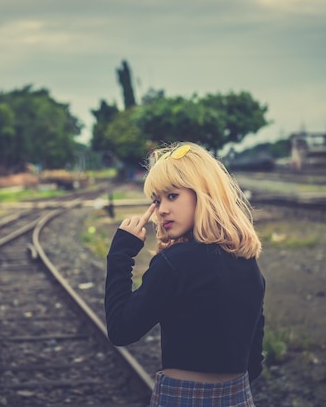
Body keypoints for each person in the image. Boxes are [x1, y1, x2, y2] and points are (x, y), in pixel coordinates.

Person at [105, 142, 265, 406]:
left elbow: (121, 330)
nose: (162, 209)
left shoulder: (173, 264)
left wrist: (120, 254)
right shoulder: (247, 262)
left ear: (203, 193)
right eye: (156, 200)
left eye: (172, 196)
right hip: (239, 397)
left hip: (182, 397)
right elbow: (254, 361)